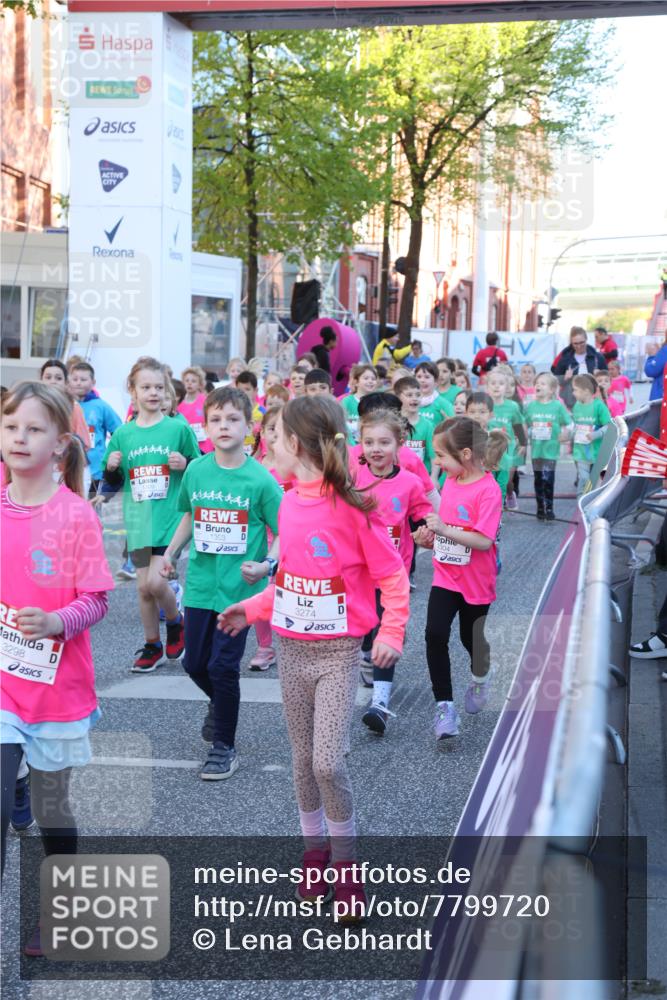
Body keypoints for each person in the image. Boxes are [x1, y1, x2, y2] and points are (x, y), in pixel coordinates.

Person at [217, 395, 408, 916]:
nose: (267, 446)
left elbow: (392, 574)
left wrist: (392, 630)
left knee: (327, 762)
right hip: (291, 649)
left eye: (273, 436)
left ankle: (347, 863)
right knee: (302, 761)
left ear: (295, 445)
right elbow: (289, 580)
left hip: (339, 652)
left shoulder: (350, 505)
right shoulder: (286, 503)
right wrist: (252, 609)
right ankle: (314, 853)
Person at [0, 383, 113, 911]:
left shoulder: (75, 516)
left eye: (33, 429)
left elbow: (95, 600)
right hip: (4, 687)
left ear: (61, 444)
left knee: (51, 808)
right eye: (10, 427)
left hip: (57, 692)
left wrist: (54, 621)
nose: (19, 438)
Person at [158, 388, 282, 779]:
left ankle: (223, 747)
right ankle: (221, 705)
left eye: (232, 419)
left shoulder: (261, 480)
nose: (223, 426)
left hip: (239, 593)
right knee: (195, 663)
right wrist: (171, 553)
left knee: (223, 667)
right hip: (199, 586)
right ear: (206, 426)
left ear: (249, 427)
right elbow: (188, 516)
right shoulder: (196, 470)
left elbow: (284, 532)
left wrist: (266, 565)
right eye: (216, 420)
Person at [102, 358, 200, 672]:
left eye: (159, 387)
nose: (153, 393)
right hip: (139, 520)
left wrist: (184, 464)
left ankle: (175, 622)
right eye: (146, 387)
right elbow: (113, 483)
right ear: (133, 391)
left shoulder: (177, 428)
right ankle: (152, 645)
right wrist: (112, 467)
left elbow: (198, 468)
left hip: (171, 518)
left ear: (167, 391)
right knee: (142, 588)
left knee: (157, 584)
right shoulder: (123, 435)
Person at [414, 417, 504, 739]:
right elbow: (446, 529)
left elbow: (483, 540)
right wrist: (430, 538)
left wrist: (445, 530)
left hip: (476, 580)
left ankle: (481, 675)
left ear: (465, 454)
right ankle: (445, 708)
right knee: (435, 634)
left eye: (441, 456)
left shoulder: (489, 491)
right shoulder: (451, 482)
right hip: (446, 575)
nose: (436, 462)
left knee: (471, 639)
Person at [354, 408, 431, 734]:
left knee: (387, 630)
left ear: (399, 443)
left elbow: (422, 514)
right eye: (369, 441)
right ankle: (366, 653)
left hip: (392, 573)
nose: (376, 448)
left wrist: (425, 530)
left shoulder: (410, 483)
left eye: (384, 442)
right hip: (356, 572)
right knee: (367, 630)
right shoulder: (351, 477)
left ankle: (380, 704)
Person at [68, 361, 122, 496]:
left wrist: (110, 455)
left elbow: (118, 431)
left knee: (91, 506)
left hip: (95, 469)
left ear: (93, 382)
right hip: (70, 466)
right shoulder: (65, 404)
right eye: (75, 379)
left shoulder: (101, 406)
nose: (79, 383)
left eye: (83, 379)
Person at [524, 373, 572, 520]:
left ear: (552, 390)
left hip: (551, 451)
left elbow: (569, 423)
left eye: (543, 384)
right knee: (538, 479)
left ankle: (549, 507)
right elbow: (523, 423)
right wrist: (525, 436)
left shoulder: (557, 406)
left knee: (548, 479)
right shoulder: (530, 406)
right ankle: (540, 508)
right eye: (537, 383)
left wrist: (566, 434)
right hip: (536, 451)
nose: (538, 385)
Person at [485, 369, 526, 511]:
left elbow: (518, 425)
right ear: (487, 386)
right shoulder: (484, 405)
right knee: (490, 479)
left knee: (506, 480)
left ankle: (509, 494)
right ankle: (494, 507)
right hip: (488, 449)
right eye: (493, 383)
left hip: (508, 448)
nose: (497, 386)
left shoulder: (512, 406)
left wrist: (523, 443)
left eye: (501, 384)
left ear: (506, 387)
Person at [570, 373, 612, 493]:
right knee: (583, 478)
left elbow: (609, 426)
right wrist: (569, 435)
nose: (573, 393)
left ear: (586, 391)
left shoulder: (599, 406)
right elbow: (575, 426)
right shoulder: (576, 406)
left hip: (596, 453)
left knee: (594, 482)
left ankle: (589, 501)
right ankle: (581, 502)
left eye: (575, 390)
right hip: (580, 451)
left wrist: (596, 434)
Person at [465, 391, 510, 503]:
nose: (476, 415)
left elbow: (503, 472)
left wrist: (500, 498)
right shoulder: (460, 439)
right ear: (466, 413)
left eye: (482, 412)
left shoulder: (495, 439)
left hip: (489, 497)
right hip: (467, 495)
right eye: (472, 412)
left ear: (491, 414)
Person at [551, 327, 607, 409]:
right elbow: (555, 380)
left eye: (581, 342)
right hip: (571, 402)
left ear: (586, 339)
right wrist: (565, 378)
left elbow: (608, 380)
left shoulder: (598, 358)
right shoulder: (565, 358)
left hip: (593, 402)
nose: (579, 346)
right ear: (571, 342)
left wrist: (599, 376)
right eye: (575, 343)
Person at [394, 376, 436, 475]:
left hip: (421, 476)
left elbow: (434, 455)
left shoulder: (428, 425)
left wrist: (434, 477)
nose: (414, 399)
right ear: (398, 397)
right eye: (409, 395)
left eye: (418, 395)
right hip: (398, 475)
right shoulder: (392, 423)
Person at [340, 364, 378, 443]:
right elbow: (341, 425)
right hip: (351, 445)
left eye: (373, 379)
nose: (370, 381)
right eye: (366, 378)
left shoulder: (378, 402)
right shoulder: (347, 401)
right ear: (356, 382)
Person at [178, 366, 212, 453]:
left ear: (200, 384)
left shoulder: (206, 401)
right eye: (187, 380)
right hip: (187, 444)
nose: (189, 383)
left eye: (193, 381)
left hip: (204, 444)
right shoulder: (178, 403)